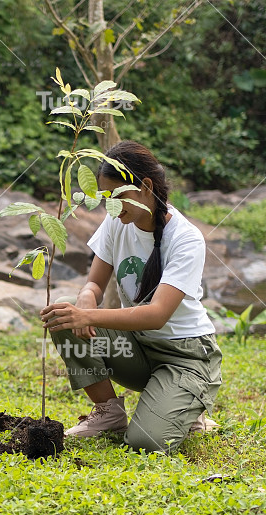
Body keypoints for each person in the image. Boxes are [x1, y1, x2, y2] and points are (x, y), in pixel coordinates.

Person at [40, 140, 222, 454]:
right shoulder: (116, 221)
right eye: (106, 196)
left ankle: (186, 405)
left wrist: (91, 315)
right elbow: (94, 284)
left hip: (186, 357)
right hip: (137, 348)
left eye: (117, 195)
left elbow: (157, 315)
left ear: (146, 187)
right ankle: (110, 413)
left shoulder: (186, 238)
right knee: (64, 314)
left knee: (145, 443)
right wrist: (85, 299)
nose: (111, 204)